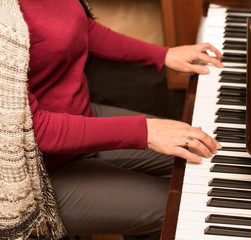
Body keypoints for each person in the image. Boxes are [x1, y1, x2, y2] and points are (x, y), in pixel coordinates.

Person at [15, 0, 224, 239]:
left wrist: (163, 55)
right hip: (38, 172)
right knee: (180, 210)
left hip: (82, 118)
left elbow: (80, 29)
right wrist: (143, 132)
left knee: (204, 158)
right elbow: (33, 130)